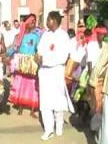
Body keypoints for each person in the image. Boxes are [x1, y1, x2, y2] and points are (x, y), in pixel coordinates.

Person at [36, 11, 75, 141]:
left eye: (48, 19)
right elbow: (40, 49)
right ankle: (48, 129)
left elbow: (63, 56)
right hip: (44, 72)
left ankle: (59, 125)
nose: (46, 22)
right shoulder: (45, 35)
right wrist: (38, 57)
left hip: (56, 71)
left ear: (54, 20)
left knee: (57, 100)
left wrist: (46, 60)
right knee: (45, 101)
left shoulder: (63, 36)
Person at [8, 14, 41, 118]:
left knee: (32, 86)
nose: (34, 24)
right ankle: (21, 106)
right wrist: (6, 56)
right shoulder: (18, 36)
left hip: (32, 64)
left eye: (35, 22)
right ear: (26, 23)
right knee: (21, 84)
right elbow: (13, 48)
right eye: (32, 22)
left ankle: (32, 109)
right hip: (21, 63)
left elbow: (39, 50)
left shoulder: (37, 36)